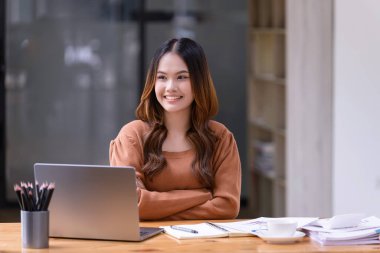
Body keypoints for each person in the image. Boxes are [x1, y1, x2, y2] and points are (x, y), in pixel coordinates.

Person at [109, 38, 241, 220]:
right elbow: (128, 204)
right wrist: (202, 196)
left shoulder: (221, 138)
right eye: (162, 77)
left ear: (199, 82)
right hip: (148, 246)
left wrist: (155, 211)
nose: (171, 87)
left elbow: (227, 206)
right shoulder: (132, 136)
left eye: (182, 77)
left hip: (204, 246)